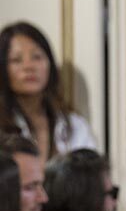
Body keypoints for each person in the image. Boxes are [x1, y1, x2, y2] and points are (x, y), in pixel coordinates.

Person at [0, 22, 96, 163]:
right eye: (16, 60)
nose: (29, 67)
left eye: (37, 57)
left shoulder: (75, 126)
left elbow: (92, 173)